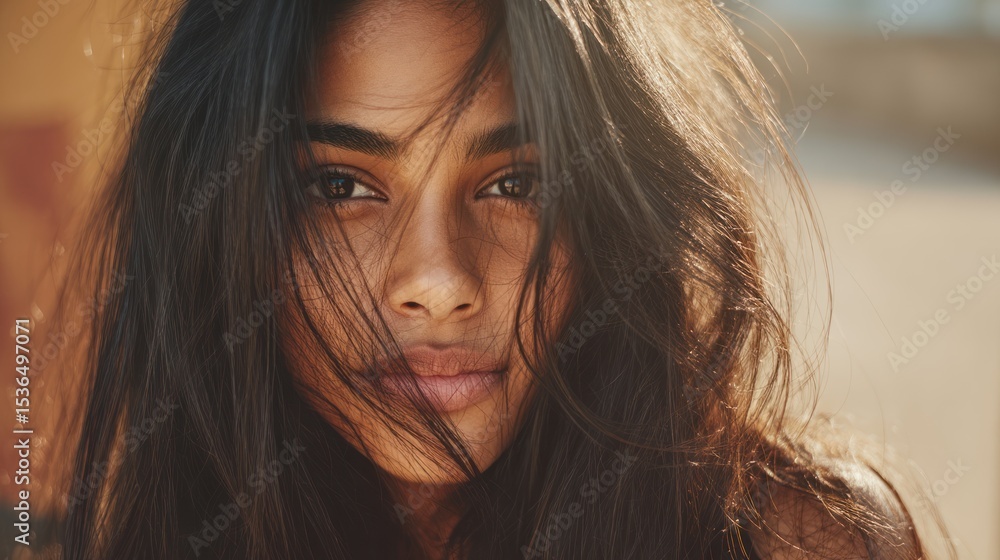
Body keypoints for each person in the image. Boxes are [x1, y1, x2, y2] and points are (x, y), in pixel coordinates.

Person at [44, 0, 952, 558]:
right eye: (340, 187)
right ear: (220, 223)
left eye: (515, 184)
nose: (439, 282)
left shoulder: (801, 542)